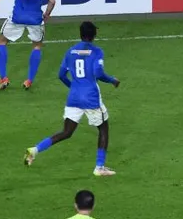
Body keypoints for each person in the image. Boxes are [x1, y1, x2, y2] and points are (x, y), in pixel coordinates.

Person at [25, 21, 119, 176]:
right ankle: (99, 167)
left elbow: (61, 75)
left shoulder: (70, 51)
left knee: (67, 132)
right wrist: (112, 80)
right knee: (103, 128)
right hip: (90, 98)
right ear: (94, 35)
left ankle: (35, 150)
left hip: (74, 98)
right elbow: (98, 72)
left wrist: (74, 87)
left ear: (81, 34)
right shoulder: (97, 51)